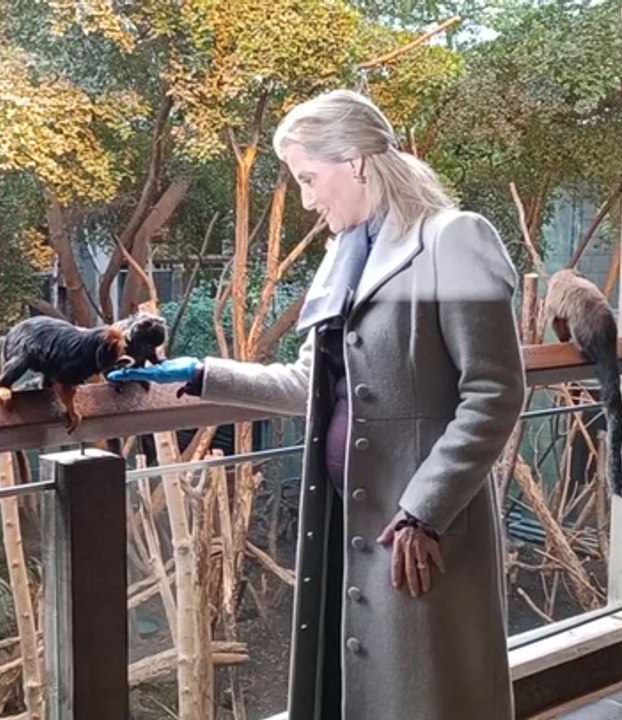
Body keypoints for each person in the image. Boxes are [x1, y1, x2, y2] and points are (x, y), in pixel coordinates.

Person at [109, 88, 526, 719]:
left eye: (309, 178)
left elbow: (495, 391)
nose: (306, 199)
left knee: (430, 695)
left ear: (355, 162)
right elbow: (312, 385)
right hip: (342, 520)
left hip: (416, 525)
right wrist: (200, 374)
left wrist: (424, 510)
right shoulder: (343, 254)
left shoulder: (455, 239)